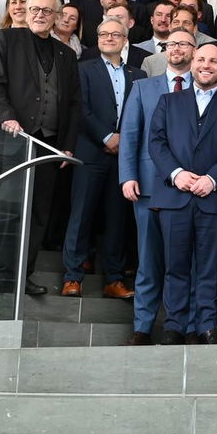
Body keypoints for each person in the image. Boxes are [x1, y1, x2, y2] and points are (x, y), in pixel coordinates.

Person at [144, 42, 217, 344]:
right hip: (174, 197)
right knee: (175, 266)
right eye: (201, 59)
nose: (206, 65)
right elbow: (156, 143)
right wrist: (177, 175)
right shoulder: (168, 101)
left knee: (210, 268)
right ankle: (174, 326)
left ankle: (206, 326)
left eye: (213, 61)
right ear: (192, 64)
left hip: (214, 198)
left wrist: (213, 179)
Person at [0, 0, 82, 297]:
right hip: (13, 138)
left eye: (47, 11)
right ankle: (2, 275)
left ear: (56, 17)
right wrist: (7, 118)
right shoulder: (6, 40)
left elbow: (74, 103)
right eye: (35, 9)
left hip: (48, 146)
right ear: (24, 11)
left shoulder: (66, 55)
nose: (40, 14)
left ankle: (25, 276)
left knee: (38, 214)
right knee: (9, 209)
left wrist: (66, 145)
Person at [118, 30, 196, 345]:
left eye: (183, 43)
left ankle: (186, 325)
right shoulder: (142, 88)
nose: (176, 49)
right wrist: (127, 176)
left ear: (195, 49)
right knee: (149, 261)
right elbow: (130, 134)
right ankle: (143, 327)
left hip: (190, 187)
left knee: (185, 261)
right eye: (171, 44)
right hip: (149, 186)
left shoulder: (205, 88)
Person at [61, 19, 144, 300]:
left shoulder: (139, 74)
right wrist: (107, 136)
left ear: (125, 39)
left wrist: (124, 141)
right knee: (81, 215)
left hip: (124, 157)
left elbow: (141, 114)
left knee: (118, 220)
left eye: (115, 34)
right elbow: (80, 107)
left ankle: (115, 280)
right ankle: (72, 276)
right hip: (91, 152)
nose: (109, 38)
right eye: (103, 33)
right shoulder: (84, 69)